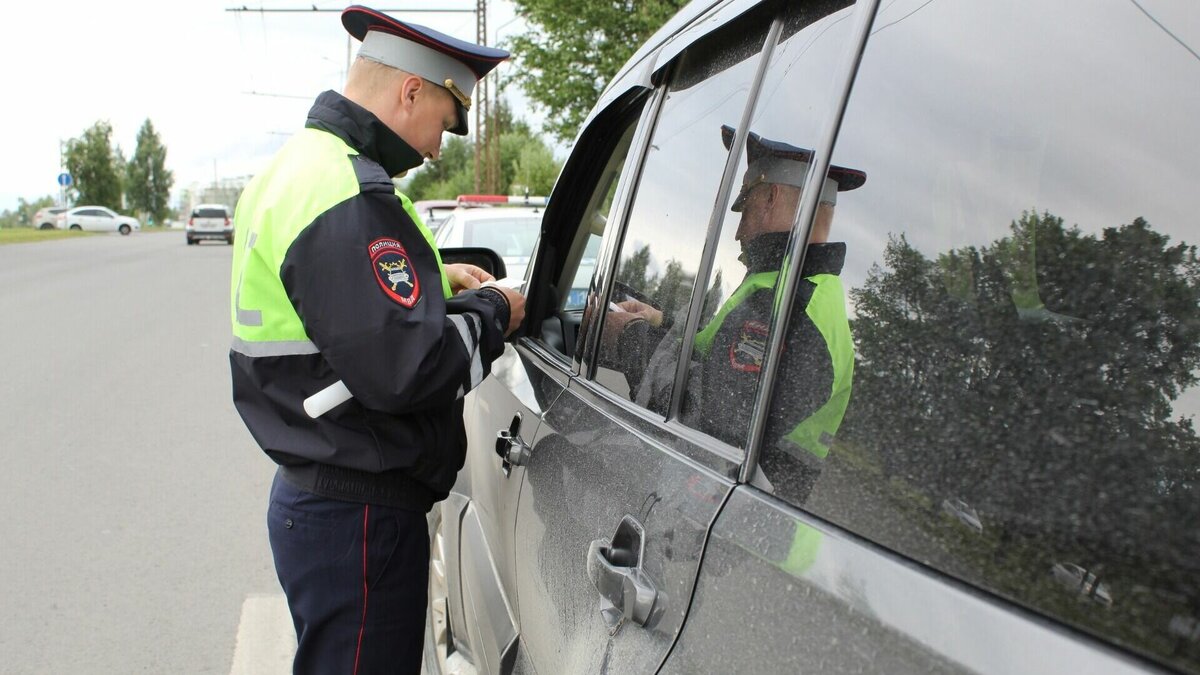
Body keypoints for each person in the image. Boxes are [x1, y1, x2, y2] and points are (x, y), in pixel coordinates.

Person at [228, 6, 525, 673]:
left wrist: (433, 277)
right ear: (411, 90)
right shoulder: (349, 192)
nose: (436, 149)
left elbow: (332, 304)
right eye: (445, 124)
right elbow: (410, 368)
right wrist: (494, 308)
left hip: (319, 493)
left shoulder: (295, 171)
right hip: (358, 513)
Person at [603, 126, 864, 502]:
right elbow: (721, 361)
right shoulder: (784, 286)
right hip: (725, 510)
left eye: (745, 206)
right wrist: (659, 321)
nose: (738, 232)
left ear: (771, 197)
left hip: (741, 527)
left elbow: (703, 421)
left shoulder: (792, 307)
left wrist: (628, 336)